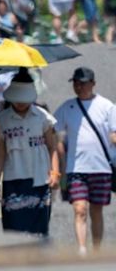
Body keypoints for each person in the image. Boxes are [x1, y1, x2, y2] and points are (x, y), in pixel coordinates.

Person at [54, 67, 116, 254]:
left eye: (82, 83)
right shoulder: (67, 107)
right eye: (75, 83)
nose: (78, 87)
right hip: (76, 168)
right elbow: (51, 128)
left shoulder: (107, 106)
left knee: (96, 210)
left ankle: (96, 250)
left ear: (93, 84)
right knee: (80, 208)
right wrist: (58, 149)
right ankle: (82, 249)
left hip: (101, 167)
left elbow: (114, 134)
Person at [0, 69, 60, 236]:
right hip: (13, 180)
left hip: (40, 179)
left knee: (39, 229)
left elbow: (52, 146)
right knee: (14, 229)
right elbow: (0, 153)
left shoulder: (43, 117)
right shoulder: (2, 119)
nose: (20, 103)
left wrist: (55, 172)